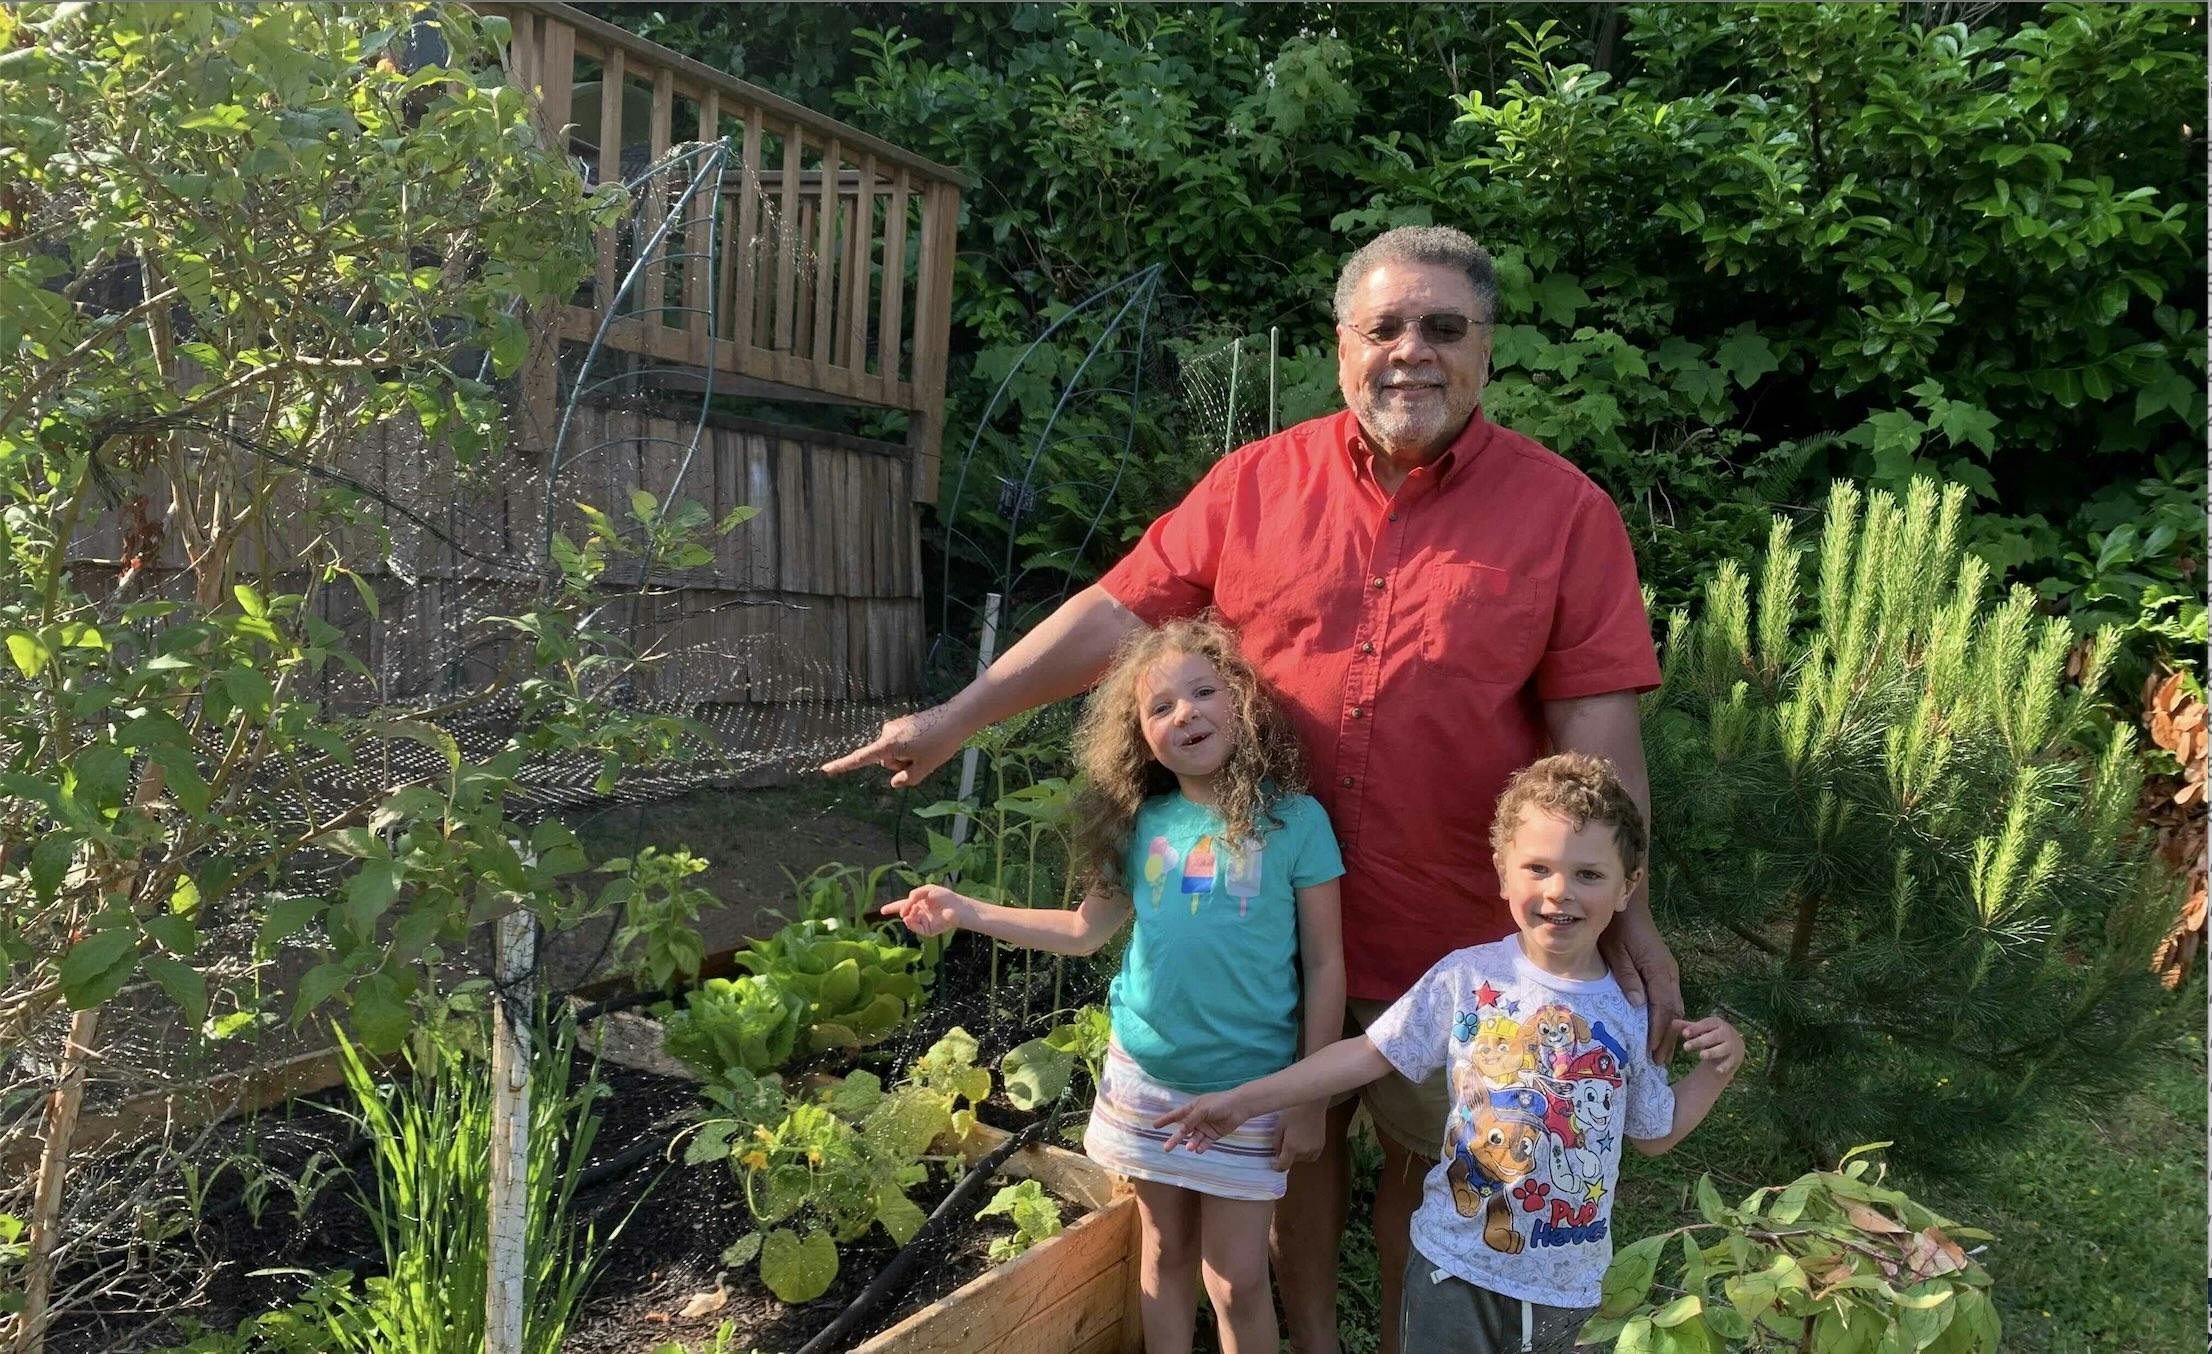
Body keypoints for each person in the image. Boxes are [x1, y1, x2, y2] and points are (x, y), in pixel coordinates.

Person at [828, 224, 1682, 1353]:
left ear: (1487, 346)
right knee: (1291, 1153)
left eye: (1444, 327)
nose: (1411, 351)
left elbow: (1597, 736)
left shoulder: (1564, 514)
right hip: (1265, 936)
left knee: (1434, 1166)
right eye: (1384, 326)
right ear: (1342, 344)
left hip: (1452, 935)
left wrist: (1630, 916)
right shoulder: (1255, 485)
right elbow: (1116, 612)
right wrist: (956, 717)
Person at [1156, 754, 1743, 1354]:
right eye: (1537, 868)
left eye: (1588, 874)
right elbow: (1364, 1054)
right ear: (1503, 873)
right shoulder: (1466, 978)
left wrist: (1718, 1069)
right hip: (1451, 1272)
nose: (1558, 891)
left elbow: (1654, 1132)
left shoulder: (1630, 1009)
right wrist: (1243, 1101)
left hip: (1570, 1293)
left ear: (1628, 886)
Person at [880, 617, 1346, 1354]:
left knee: (1236, 1280)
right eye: (1160, 706)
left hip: (1252, 1093)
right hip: (1146, 1085)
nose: (1185, 713)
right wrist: (966, 910)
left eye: (1203, 691)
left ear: (1243, 701)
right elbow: (1082, 929)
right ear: (1139, 737)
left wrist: (1309, 1099)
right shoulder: (1140, 824)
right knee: (1163, 1252)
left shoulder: (1296, 821)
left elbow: (1324, 965)